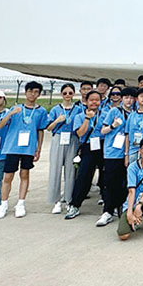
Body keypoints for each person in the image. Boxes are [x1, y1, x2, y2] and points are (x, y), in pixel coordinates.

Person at [0, 81, 48, 219]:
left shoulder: (41, 111)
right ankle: (4, 204)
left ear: (39, 94)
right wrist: (11, 114)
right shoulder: (15, 109)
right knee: (8, 176)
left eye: (36, 92)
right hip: (12, 147)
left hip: (28, 148)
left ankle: (21, 203)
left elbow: (40, 130)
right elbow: (0, 125)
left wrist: (39, 148)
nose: (32, 94)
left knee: (24, 174)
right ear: (25, 92)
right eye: (30, 91)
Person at [96, 86, 136, 227]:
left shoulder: (135, 114)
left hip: (128, 153)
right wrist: (113, 125)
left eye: (131, 98)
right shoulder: (114, 111)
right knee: (110, 183)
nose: (129, 100)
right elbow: (103, 130)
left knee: (124, 183)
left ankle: (121, 208)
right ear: (121, 99)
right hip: (112, 153)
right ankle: (107, 211)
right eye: (126, 97)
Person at [64, 90, 105, 219]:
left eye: (97, 100)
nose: (94, 102)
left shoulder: (105, 114)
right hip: (88, 147)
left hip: (103, 146)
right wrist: (87, 118)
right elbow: (80, 133)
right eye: (91, 100)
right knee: (84, 176)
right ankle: (75, 205)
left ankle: (109, 205)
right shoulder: (79, 116)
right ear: (86, 101)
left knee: (106, 176)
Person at [45, 83, 81, 214]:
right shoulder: (55, 109)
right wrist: (57, 121)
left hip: (72, 139)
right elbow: (48, 128)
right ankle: (56, 201)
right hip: (58, 138)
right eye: (65, 93)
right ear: (61, 94)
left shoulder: (78, 109)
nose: (67, 95)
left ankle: (68, 199)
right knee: (55, 169)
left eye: (70, 93)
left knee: (71, 171)